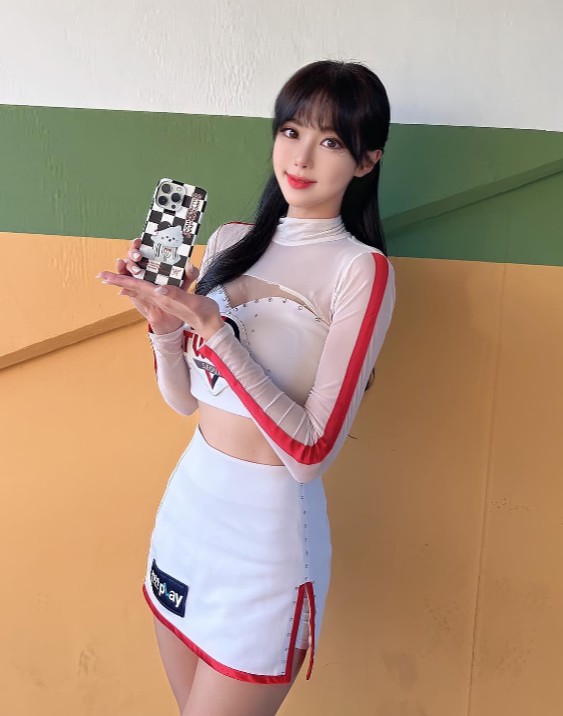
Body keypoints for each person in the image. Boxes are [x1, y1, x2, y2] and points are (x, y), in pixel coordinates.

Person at [97, 59, 396, 716]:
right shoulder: (231, 240)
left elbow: (311, 453)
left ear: (365, 161)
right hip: (189, 511)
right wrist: (164, 328)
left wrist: (214, 329)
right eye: (291, 131)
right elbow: (185, 401)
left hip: (266, 540)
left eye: (330, 141)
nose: (301, 157)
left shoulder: (359, 270)